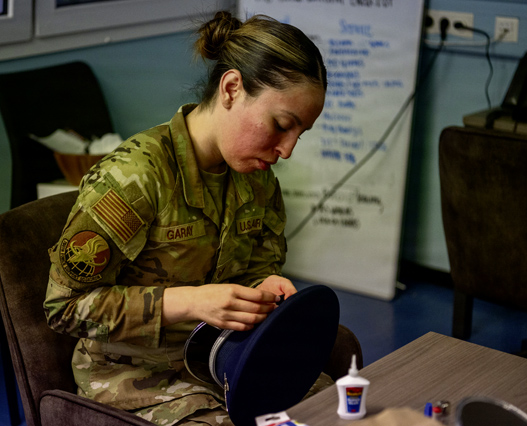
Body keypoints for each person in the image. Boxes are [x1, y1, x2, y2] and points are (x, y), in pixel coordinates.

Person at [43, 10, 327, 426]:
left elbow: (258, 268)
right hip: (135, 374)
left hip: (223, 355)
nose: (286, 150)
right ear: (231, 88)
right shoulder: (135, 178)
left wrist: (263, 287)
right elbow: (64, 308)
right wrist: (192, 302)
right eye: (281, 125)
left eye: (299, 134)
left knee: (330, 411)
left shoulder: (257, 178)